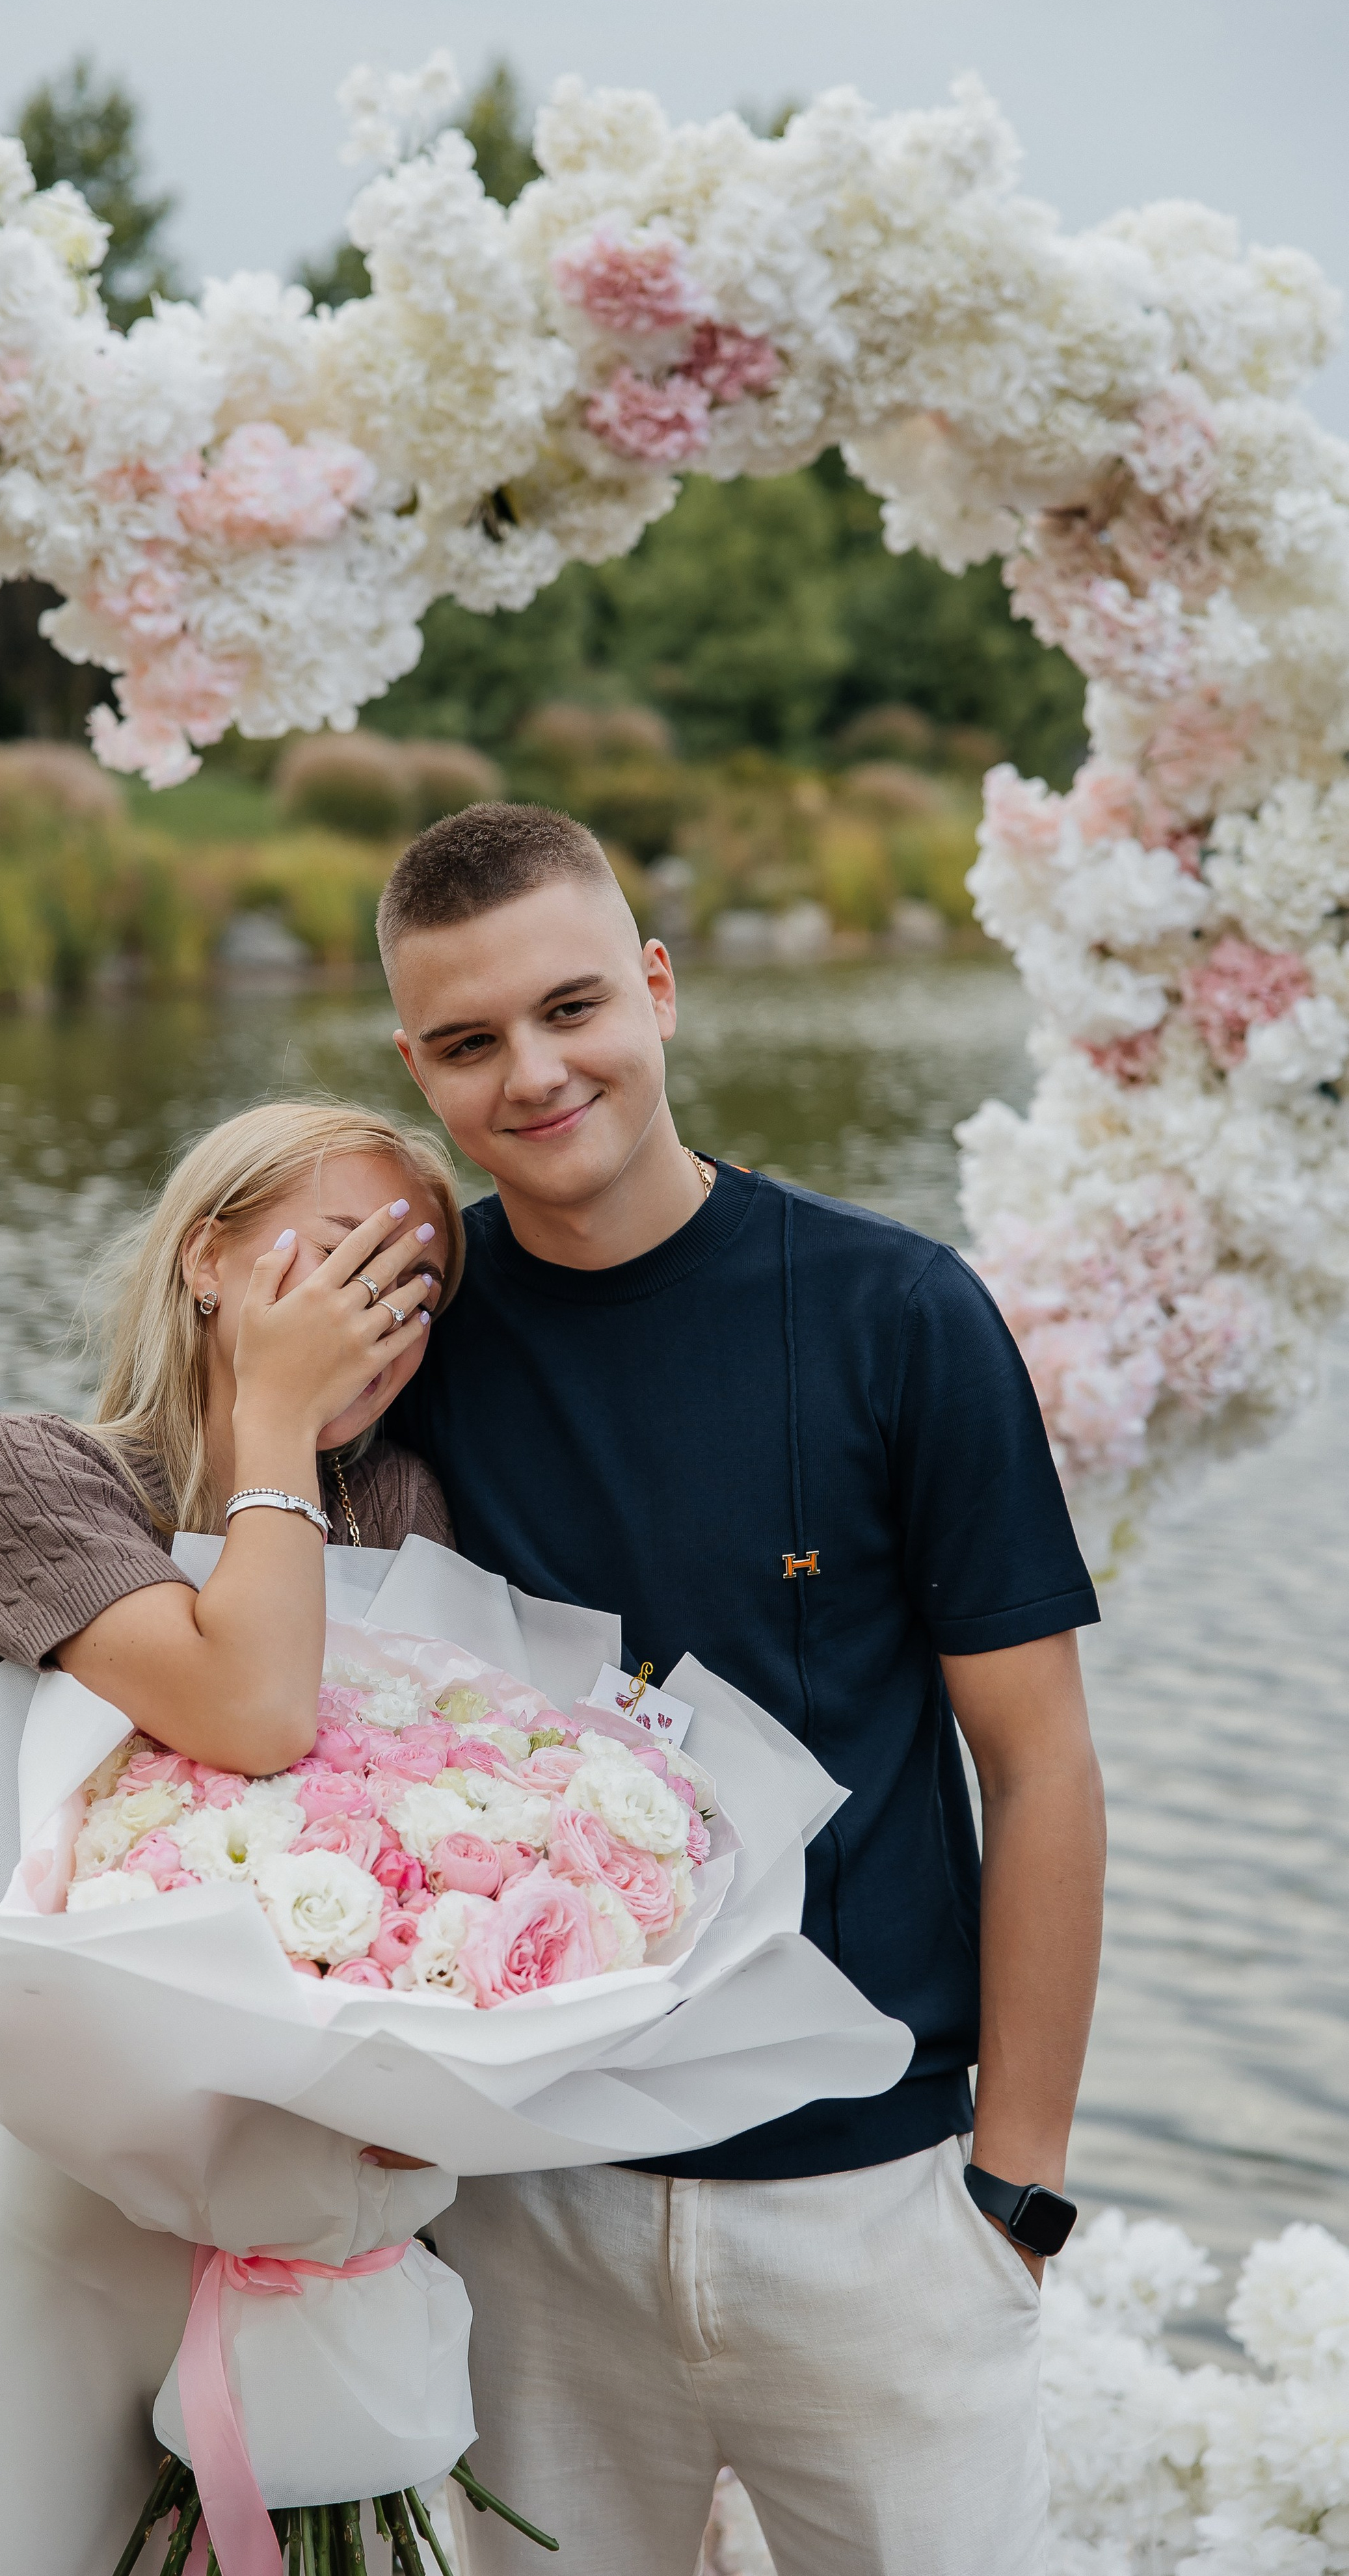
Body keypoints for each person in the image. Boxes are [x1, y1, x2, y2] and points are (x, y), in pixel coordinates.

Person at [377, 804, 1108, 2576]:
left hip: (873, 2208)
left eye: (572, 1008)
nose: (536, 1073)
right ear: (416, 1066)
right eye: (469, 1042)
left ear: (659, 987)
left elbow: (1043, 1765)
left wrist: (1012, 2190)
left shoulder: (897, 1314)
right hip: (530, 2209)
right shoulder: (412, 1345)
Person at [0, 1099, 463, 2576]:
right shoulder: (24, 1478)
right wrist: (270, 1417)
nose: (371, 1317)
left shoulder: (396, 1506)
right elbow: (253, 1709)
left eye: (409, 1290)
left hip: (327, 2209)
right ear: (207, 1255)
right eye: (337, 1258)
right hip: (77, 2211)